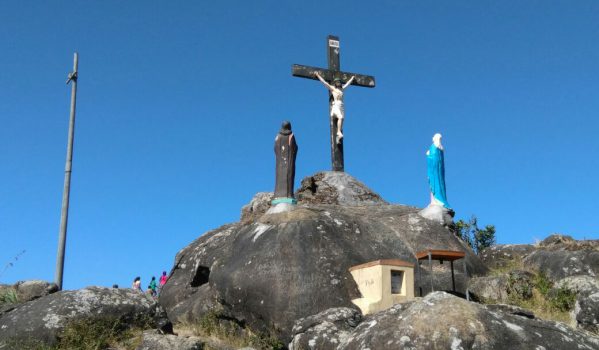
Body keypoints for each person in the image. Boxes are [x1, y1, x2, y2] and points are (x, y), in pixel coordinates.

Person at [314, 72, 355, 143]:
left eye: (339, 82)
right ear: (335, 83)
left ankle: (339, 136)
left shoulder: (342, 89)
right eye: (337, 82)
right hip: (336, 106)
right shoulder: (333, 89)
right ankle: (338, 132)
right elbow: (325, 83)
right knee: (340, 117)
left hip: (341, 106)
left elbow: (348, 84)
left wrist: (352, 78)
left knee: (342, 120)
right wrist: (318, 75)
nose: (338, 83)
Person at [426, 133, 451, 209]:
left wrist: (428, 155)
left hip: (434, 169)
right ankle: (435, 201)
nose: (432, 137)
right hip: (437, 169)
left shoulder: (435, 146)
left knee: (434, 183)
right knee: (437, 183)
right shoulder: (440, 147)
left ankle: (436, 201)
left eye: (433, 136)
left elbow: (434, 158)